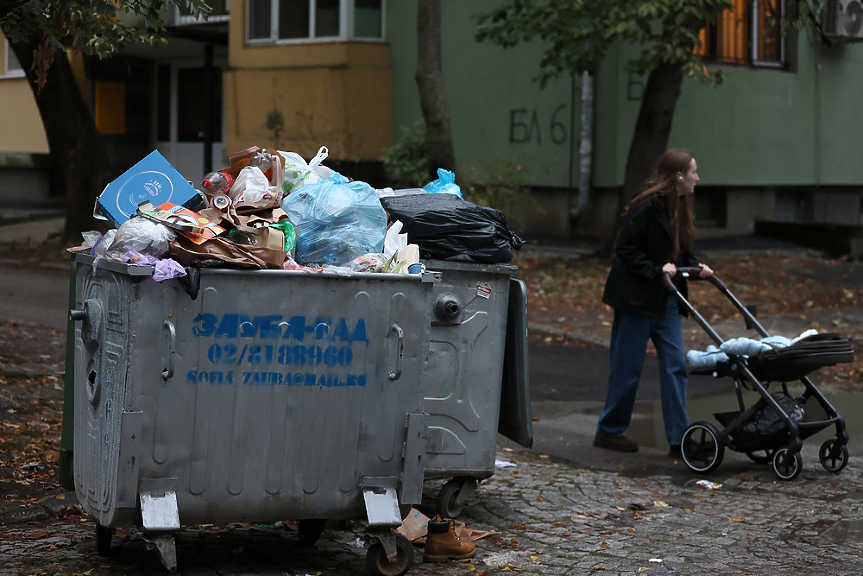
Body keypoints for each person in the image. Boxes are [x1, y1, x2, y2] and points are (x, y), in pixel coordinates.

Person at [593, 148, 713, 457]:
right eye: (694, 172)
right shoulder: (647, 206)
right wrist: (656, 271)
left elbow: (679, 251)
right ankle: (609, 431)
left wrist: (696, 267)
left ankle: (679, 439)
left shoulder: (681, 206)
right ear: (679, 176)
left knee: (675, 367)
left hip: (667, 301)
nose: (697, 178)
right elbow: (626, 249)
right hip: (637, 299)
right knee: (627, 368)